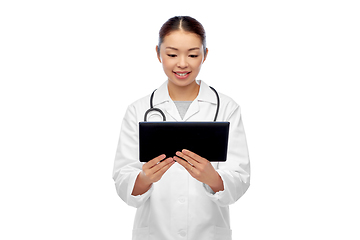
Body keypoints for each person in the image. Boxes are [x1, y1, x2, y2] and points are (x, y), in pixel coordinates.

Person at [113, 16, 250, 240]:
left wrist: (211, 177)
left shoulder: (226, 108)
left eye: (193, 54)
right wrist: (145, 178)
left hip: (207, 233)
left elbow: (240, 178)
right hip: (155, 232)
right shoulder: (137, 110)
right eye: (172, 54)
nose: (183, 63)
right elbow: (122, 181)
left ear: (205, 54)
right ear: (158, 53)